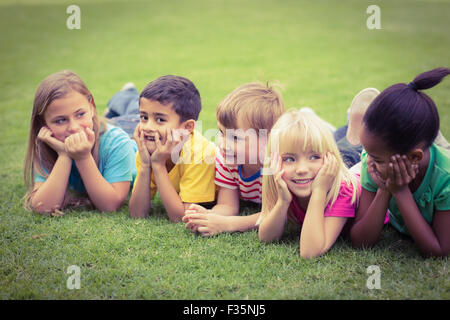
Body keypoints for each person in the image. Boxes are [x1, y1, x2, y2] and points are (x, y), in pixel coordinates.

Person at [350, 67, 450, 258]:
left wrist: (400, 190)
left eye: (376, 158)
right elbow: (360, 241)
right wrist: (385, 189)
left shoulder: (446, 178)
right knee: (347, 147)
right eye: (368, 153)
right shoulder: (371, 160)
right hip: (388, 150)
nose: (368, 162)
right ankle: (350, 121)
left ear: (414, 158)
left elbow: (438, 251)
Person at [24, 70, 137, 214]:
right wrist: (64, 155)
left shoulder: (117, 142)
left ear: (91, 106)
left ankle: (127, 93)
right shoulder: (47, 145)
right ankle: (110, 112)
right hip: (102, 125)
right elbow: (43, 207)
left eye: (80, 114)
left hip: (131, 128)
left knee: (135, 109)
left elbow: (111, 205)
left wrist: (82, 157)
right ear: (43, 124)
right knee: (118, 116)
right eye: (60, 120)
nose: (74, 128)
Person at [183, 82, 285, 236]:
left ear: (268, 139)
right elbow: (227, 205)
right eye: (222, 132)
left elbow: (276, 214)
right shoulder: (227, 161)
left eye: (235, 137)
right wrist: (208, 216)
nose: (223, 144)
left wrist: (229, 224)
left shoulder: (278, 167)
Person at [257, 109, 359, 259]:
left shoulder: (343, 191)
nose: (302, 169)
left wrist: (319, 190)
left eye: (314, 156)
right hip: (339, 162)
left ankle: (356, 119)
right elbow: (266, 238)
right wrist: (283, 202)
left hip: (357, 166)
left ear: (330, 157)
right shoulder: (284, 183)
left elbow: (309, 252)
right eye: (289, 159)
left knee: (356, 145)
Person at [128, 75, 216, 222]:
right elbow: (137, 213)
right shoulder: (148, 147)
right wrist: (145, 165)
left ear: (187, 127)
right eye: (144, 117)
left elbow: (180, 217)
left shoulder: (200, 152)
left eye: (160, 120)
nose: (148, 127)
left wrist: (158, 164)